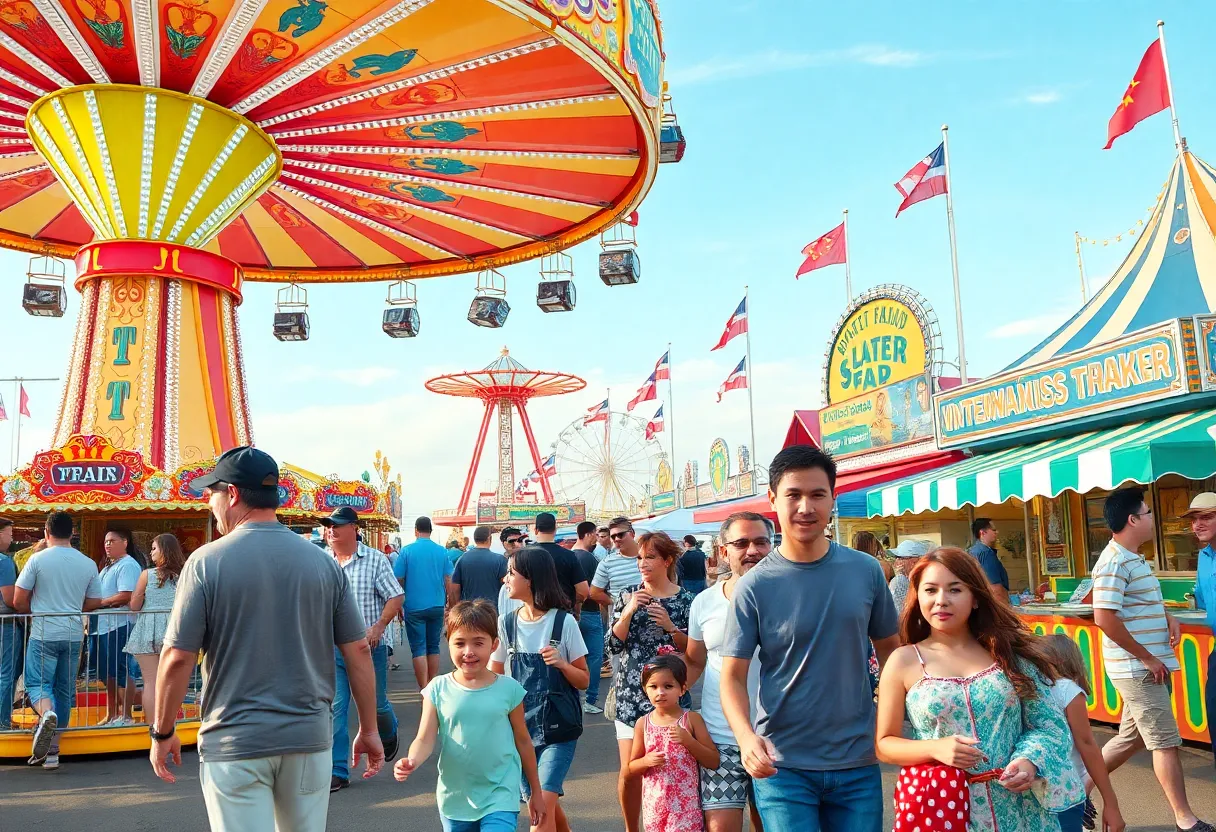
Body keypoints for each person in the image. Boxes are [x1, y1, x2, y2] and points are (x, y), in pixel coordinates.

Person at [151, 446, 384, 831]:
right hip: (309, 739)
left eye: (213, 493)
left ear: (234, 494)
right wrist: (370, 730)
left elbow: (177, 657)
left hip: (235, 742)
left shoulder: (207, 562)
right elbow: (358, 648)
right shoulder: (323, 562)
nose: (211, 503)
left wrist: (162, 731)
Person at [721, 445, 900, 831]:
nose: (806, 507)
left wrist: (887, 716)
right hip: (782, 767)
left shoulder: (866, 571)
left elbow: (893, 654)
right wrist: (746, 738)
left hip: (858, 763)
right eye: (793, 495)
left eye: (818, 494)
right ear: (772, 499)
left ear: (833, 499)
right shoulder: (753, 586)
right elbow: (732, 676)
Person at [875, 547, 1082, 832]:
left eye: (955, 590)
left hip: (1019, 810)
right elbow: (885, 744)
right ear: (918, 596)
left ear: (975, 598)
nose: (941, 601)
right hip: (943, 811)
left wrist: (1029, 760)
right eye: (930, 590)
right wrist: (936, 748)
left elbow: (1049, 725)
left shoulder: (1009, 654)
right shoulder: (903, 661)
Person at [1092, 487, 1212, 832]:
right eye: (1147, 514)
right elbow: (1104, 617)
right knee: (1165, 742)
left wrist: (1167, 617)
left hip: (1147, 666)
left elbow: (1137, 604)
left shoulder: (1133, 558)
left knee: (1131, 738)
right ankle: (1184, 818)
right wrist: (1146, 657)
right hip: (1140, 669)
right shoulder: (1114, 561)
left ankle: (1077, 790)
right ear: (1132, 520)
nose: (1151, 520)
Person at [394, 601, 545, 832]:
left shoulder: (509, 689)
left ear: (494, 644)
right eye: (460, 643)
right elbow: (424, 738)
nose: (469, 651)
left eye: (478, 642)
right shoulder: (437, 688)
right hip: (455, 798)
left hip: (500, 793)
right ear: (448, 643)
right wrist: (411, 760)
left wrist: (535, 791)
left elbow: (523, 741)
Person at [490, 545, 589, 832]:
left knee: (540, 815)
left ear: (530, 578)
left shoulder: (564, 621)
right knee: (545, 806)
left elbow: (583, 679)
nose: (505, 579)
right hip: (519, 733)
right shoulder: (505, 623)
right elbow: (494, 678)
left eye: (511, 573)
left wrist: (561, 664)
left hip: (559, 730)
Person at [685, 511, 770, 832]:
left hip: (776, 738)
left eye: (761, 542)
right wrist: (661, 703)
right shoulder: (704, 603)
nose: (752, 550)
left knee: (771, 824)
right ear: (723, 551)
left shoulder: (790, 598)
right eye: (741, 543)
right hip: (719, 738)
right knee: (720, 827)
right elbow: (694, 661)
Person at [609, 531, 695, 832]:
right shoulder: (626, 595)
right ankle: (632, 828)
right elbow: (613, 646)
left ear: (667, 560)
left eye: (650, 557)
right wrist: (630, 610)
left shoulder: (686, 600)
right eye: (639, 558)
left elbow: (693, 649)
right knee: (630, 771)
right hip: (632, 693)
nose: (643, 564)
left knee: (672, 767)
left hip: (671, 695)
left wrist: (671, 627)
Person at [323, 505, 405, 792]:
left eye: (337, 525)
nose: (331, 530)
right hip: (332, 649)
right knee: (336, 707)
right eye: (328, 525)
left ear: (354, 529)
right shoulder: (322, 561)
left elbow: (395, 596)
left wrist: (379, 626)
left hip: (369, 648)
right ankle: (338, 770)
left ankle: (389, 729)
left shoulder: (374, 560)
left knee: (376, 704)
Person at [12, 511, 102, 770]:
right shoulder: (87, 563)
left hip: (44, 632)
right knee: (64, 690)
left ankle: (46, 715)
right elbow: (94, 601)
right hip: (74, 634)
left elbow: (19, 600)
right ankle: (52, 751)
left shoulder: (37, 560)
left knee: (37, 684)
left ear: (46, 532)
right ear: (73, 533)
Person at [1041, 635, 1125, 832]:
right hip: (1069, 786)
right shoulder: (1068, 690)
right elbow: (1086, 743)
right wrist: (1110, 802)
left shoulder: (1036, 688)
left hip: (1038, 783)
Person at [628, 651, 719, 832]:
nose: (660, 692)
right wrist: (646, 761)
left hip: (687, 809)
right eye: (653, 686)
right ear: (645, 689)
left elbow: (713, 761)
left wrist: (689, 741)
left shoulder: (691, 720)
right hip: (655, 808)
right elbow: (631, 767)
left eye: (668, 686)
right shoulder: (642, 724)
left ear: (682, 689)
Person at [124, 534, 186, 728]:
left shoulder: (147, 575)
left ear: (164, 551)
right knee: (171, 681)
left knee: (150, 681)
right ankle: (170, 724)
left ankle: (154, 727)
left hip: (148, 628)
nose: (151, 553)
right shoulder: (183, 575)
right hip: (174, 628)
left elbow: (134, 605)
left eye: (153, 549)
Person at [395, 516, 455, 689]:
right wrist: (449, 602)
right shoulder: (441, 551)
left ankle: (424, 688)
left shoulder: (406, 551)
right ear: (431, 530)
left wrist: (400, 599)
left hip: (413, 606)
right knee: (433, 646)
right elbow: (448, 579)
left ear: (415, 530)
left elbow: (398, 578)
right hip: (436, 604)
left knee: (418, 648)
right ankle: (433, 684)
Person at [95, 527, 143, 725]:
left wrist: (100, 603)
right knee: (107, 672)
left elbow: (126, 595)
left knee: (122, 670)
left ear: (125, 542)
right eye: (106, 541)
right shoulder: (107, 567)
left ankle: (126, 715)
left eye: (112, 541)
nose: (108, 544)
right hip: (103, 625)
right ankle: (112, 712)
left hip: (120, 624)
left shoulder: (128, 565)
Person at [1184, 491, 1216, 768]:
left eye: (1206, 517)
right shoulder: (1204, 557)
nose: (1198, 524)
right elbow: (1203, 601)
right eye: (1195, 519)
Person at [571, 521, 606, 714]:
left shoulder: (568, 556)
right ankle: (590, 699)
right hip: (590, 612)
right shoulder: (589, 559)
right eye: (594, 534)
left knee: (573, 658)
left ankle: (575, 698)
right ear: (587, 534)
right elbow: (594, 590)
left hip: (571, 613)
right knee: (594, 656)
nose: (596, 538)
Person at [532, 512, 589, 615]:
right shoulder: (569, 556)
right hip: (562, 615)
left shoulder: (523, 556)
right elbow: (583, 591)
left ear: (536, 530)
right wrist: (571, 603)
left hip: (532, 615)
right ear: (555, 529)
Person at [451, 526, 508, 608]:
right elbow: (506, 586)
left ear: (474, 539)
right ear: (490, 538)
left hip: (469, 610)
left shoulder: (462, 559)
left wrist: (457, 607)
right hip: (492, 610)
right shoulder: (500, 560)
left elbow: (455, 587)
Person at [0, 517, 21, 731]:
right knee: (6, 672)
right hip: (5, 623)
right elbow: (10, 598)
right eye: (10, 534)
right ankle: (3, 720)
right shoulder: (4, 562)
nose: (11, 538)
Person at [969, 517, 1010, 600]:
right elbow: (995, 588)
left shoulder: (973, 551)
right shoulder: (986, 553)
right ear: (983, 533)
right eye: (993, 530)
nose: (996, 532)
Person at [888, 538, 931, 616]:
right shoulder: (902, 580)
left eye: (900, 558)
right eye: (896, 557)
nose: (896, 561)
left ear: (914, 561)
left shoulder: (900, 581)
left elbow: (901, 614)